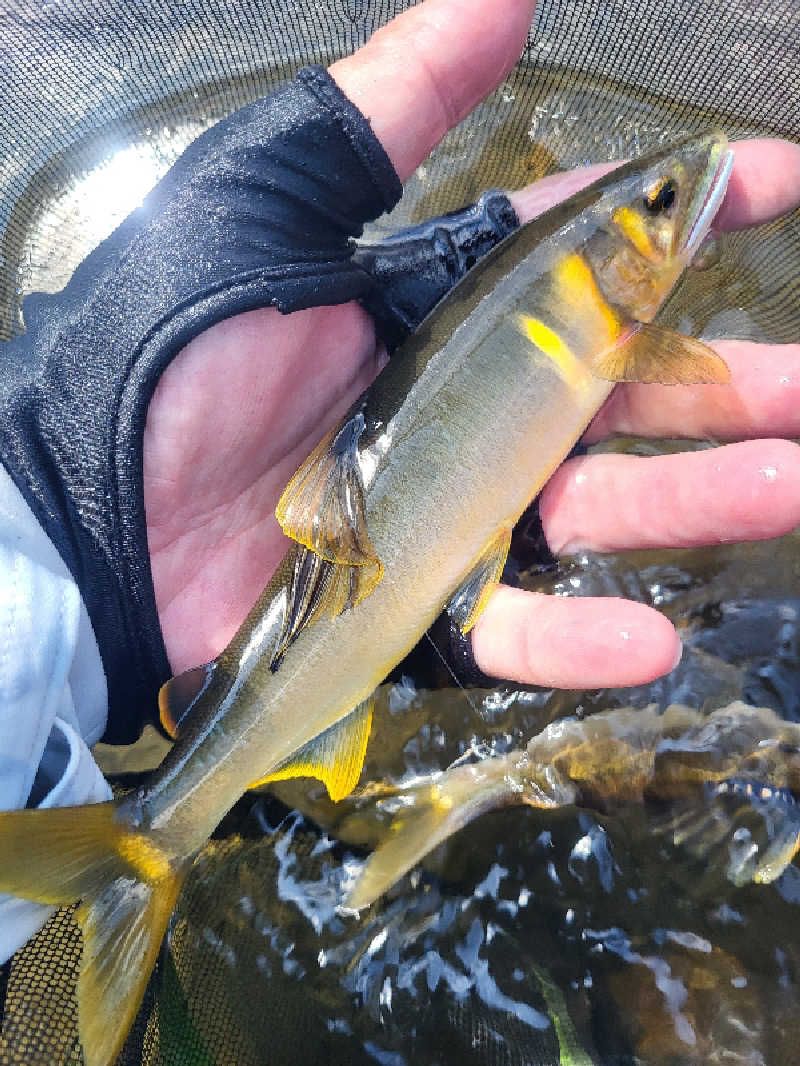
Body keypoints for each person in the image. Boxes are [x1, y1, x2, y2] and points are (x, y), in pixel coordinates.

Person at [1, 0, 799, 960]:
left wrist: (62, 522)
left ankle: (153, 827)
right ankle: (151, 835)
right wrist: (65, 513)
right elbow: (678, 363)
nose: (685, 204)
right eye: (661, 207)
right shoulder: (613, 328)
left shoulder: (603, 321)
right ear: (602, 267)